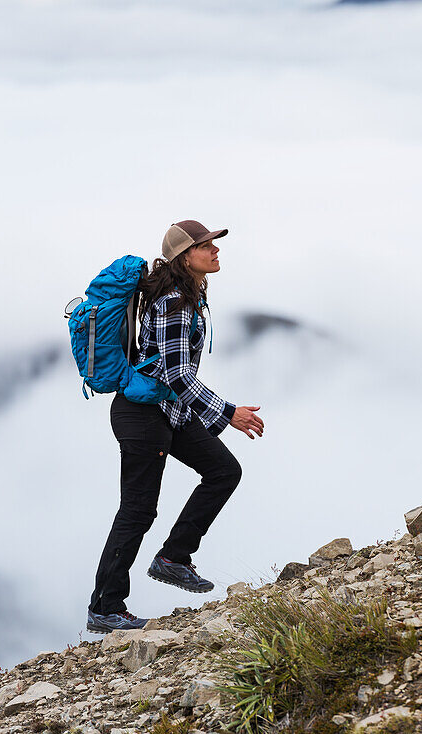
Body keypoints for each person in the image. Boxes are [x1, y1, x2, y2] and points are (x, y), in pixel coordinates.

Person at [86, 219, 265, 633]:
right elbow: (177, 374)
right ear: (186, 256)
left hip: (167, 412)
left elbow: (173, 379)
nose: (216, 250)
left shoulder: (188, 296)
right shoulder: (174, 302)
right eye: (207, 245)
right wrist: (228, 412)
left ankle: (173, 558)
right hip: (142, 416)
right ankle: (106, 607)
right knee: (137, 511)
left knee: (223, 471)